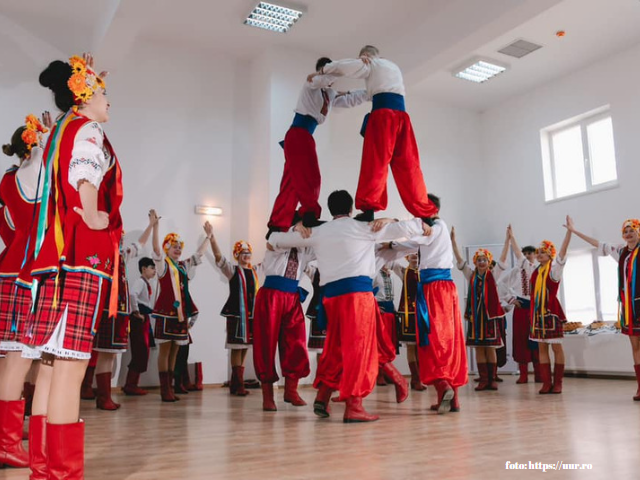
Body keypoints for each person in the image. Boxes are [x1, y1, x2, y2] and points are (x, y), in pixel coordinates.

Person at [19, 53, 120, 478]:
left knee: (51, 365)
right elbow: (85, 171)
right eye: (103, 93)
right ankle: (60, 472)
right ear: (85, 97)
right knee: (71, 366)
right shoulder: (87, 128)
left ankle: (43, 465)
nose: (108, 102)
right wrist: (93, 210)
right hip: (81, 255)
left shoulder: (61, 128)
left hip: (53, 260)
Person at [268, 190, 429, 423]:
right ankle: (354, 405)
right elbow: (409, 228)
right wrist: (409, 222)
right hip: (357, 298)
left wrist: (297, 227)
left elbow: (274, 240)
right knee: (359, 352)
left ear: (331, 210)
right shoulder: (364, 227)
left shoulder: (318, 231)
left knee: (335, 348)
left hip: (331, 299)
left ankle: (322, 397)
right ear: (352, 209)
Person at [308, 46, 437, 222]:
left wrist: (325, 69)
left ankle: (369, 208)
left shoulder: (373, 64)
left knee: (375, 163)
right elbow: (362, 95)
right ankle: (424, 212)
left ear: (367, 56)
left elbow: (348, 67)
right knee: (409, 166)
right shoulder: (391, 68)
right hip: (402, 118)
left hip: (383, 117)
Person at [0, 112, 50, 471]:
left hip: (11, 265)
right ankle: (8, 444)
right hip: (28, 271)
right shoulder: (34, 171)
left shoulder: (8, 179)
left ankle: (9, 440)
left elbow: (10, 228)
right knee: (20, 362)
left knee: (14, 362)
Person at [268, 57, 369, 232]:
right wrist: (340, 68)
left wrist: (371, 93)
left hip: (304, 136)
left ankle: (280, 221)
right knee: (311, 178)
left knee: (292, 181)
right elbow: (325, 78)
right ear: (322, 70)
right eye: (327, 71)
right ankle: (308, 215)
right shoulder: (311, 83)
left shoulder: (329, 94)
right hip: (298, 134)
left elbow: (349, 98)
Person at [392, 194, 467, 413]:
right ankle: (453, 398)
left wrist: (391, 240)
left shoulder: (434, 228)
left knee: (433, 339)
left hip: (434, 289)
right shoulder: (437, 227)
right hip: (444, 288)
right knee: (448, 341)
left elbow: (417, 241)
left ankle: (443, 386)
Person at [84, 211, 158, 410]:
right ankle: (96, 394)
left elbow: (140, 244)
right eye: (119, 236)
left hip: (119, 311)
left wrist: (151, 225)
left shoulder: (122, 255)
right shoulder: (100, 254)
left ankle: (103, 396)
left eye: (122, 237)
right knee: (99, 353)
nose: (122, 240)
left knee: (109, 354)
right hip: (106, 309)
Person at [566, 217, 640, 401]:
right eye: (626, 231)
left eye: (632, 230)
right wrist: (575, 232)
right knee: (635, 346)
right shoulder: (621, 251)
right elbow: (598, 244)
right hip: (631, 308)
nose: (629, 234)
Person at [252, 241, 314, 411]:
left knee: (296, 342)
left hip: (292, 297)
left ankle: (291, 390)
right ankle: (268, 395)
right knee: (266, 344)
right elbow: (272, 243)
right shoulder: (278, 239)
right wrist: (296, 229)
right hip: (271, 296)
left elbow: (323, 246)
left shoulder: (306, 248)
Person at [151, 220, 209, 402]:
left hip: (180, 314)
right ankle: (164, 389)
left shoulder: (183, 266)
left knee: (175, 352)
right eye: (173, 246)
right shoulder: (163, 265)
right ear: (167, 248)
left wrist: (209, 236)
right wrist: (155, 227)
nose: (177, 249)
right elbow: (156, 249)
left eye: (179, 247)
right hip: (166, 313)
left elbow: (199, 254)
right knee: (165, 351)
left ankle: (171, 387)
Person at [451, 228, 508, 391]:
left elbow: (503, 261)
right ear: (475, 262)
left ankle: (492, 379)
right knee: (479, 348)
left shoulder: (493, 274)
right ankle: (483, 379)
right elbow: (461, 262)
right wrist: (454, 242)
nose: (482, 262)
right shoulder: (471, 275)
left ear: (489, 262)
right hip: (476, 318)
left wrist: (508, 241)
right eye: (479, 260)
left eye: (484, 260)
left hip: (489, 318)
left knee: (490, 348)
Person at [209, 228, 262, 396]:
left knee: (245, 347)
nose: (246, 255)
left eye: (248, 252)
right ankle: (238, 383)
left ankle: (235, 383)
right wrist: (212, 238)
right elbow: (219, 258)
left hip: (251, 316)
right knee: (236, 347)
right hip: (237, 315)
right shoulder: (233, 270)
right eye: (243, 253)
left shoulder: (254, 271)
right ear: (237, 255)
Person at [529, 219, 572, 394]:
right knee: (541, 347)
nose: (539, 254)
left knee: (556, 347)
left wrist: (569, 232)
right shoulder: (535, 271)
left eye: (543, 252)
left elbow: (562, 254)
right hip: (537, 314)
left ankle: (558, 382)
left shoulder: (554, 270)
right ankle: (546, 382)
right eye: (538, 252)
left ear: (550, 255)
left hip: (551, 313)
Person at [497, 227, 540, 384]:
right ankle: (523, 374)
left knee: (536, 340)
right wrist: (511, 299)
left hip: (535, 308)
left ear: (535, 256)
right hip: (521, 306)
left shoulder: (538, 269)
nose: (528, 256)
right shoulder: (516, 270)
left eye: (531, 253)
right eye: (525, 253)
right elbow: (500, 284)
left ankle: (539, 374)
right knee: (521, 340)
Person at [123, 256, 157, 396]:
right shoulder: (140, 282)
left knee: (143, 351)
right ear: (143, 269)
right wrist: (136, 312)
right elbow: (132, 294)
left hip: (144, 318)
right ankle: (130, 385)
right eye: (152, 268)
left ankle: (132, 384)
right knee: (140, 350)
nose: (154, 271)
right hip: (139, 319)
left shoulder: (146, 283)